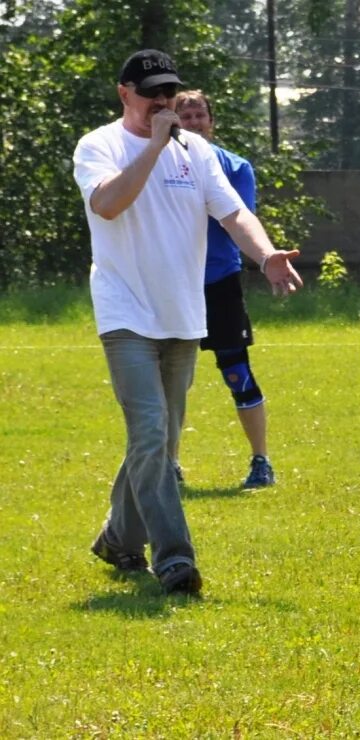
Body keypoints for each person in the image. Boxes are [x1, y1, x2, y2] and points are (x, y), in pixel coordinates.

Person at [73, 49, 303, 594]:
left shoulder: (195, 151)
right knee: (150, 431)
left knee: (160, 440)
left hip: (182, 315)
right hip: (125, 311)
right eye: (152, 91)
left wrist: (265, 255)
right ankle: (175, 559)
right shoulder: (99, 145)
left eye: (169, 91)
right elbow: (108, 205)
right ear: (124, 91)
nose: (163, 101)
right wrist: (153, 146)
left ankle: (117, 538)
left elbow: (234, 213)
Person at [173, 90, 274, 489]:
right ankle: (169, 465)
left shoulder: (234, 167)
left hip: (219, 282)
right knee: (172, 379)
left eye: (200, 115)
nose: (194, 121)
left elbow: (235, 219)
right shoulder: (154, 164)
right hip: (173, 283)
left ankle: (261, 462)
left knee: (237, 374)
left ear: (211, 122)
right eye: (186, 115)